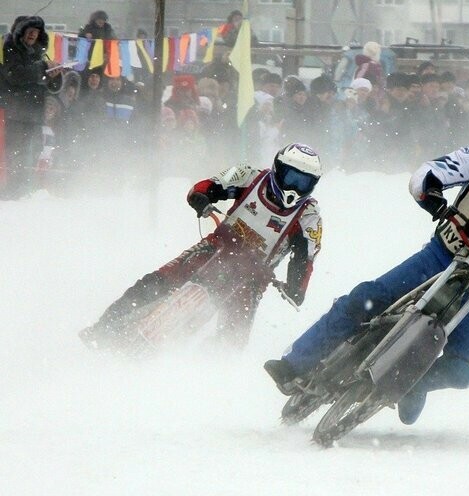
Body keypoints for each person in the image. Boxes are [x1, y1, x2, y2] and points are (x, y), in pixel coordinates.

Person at [264, 111, 469, 425]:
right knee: (363, 299)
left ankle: (415, 383)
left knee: (464, 370)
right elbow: (432, 171)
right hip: (437, 257)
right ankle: (295, 363)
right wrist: (431, 193)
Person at [80, 144, 325, 350]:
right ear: (277, 169)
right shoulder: (250, 176)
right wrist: (201, 198)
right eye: (290, 177)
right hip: (216, 248)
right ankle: (103, 330)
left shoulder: (308, 216)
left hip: (252, 277)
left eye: (303, 182)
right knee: (156, 281)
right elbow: (208, 185)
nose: (294, 187)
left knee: (234, 337)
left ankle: (208, 374)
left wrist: (295, 289)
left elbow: (306, 259)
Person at [0, 15, 62, 199]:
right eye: (30, 31)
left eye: (36, 32)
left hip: (34, 113)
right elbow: (15, 75)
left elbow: (48, 85)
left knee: (32, 153)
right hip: (14, 112)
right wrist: (43, 68)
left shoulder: (39, 53)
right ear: (21, 32)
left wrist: (55, 76)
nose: (33, 35)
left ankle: (25, 189)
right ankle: (11, 192)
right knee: (14, 153)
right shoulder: (8, 49)